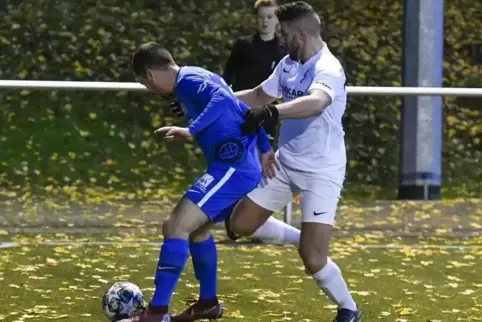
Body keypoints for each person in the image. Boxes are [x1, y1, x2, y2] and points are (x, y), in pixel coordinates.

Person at [121, 42, 276, 322]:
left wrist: (190, 130)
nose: (148, 89)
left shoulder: (190, 82)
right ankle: (208, 303)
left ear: (151, 75)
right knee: (197, 232)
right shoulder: (194, 76)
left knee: (175, 225)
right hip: (235, 164)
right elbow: (238, 105)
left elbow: (220, 99)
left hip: (233, 167)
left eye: (144, 82)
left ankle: (155, 313)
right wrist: (264, 146)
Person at [227, 2, 362, 321]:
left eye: (285, 34)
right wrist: (213, 98)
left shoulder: (328, 67)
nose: (281, 39)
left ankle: (349, 309)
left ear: (301, 34)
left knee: (314, 261)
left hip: (322, 171)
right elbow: (260, 94)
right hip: (286, 163)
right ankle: (307, 238)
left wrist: (274, 112)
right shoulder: (288, 63)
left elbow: (315, 103)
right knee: (239, 224)